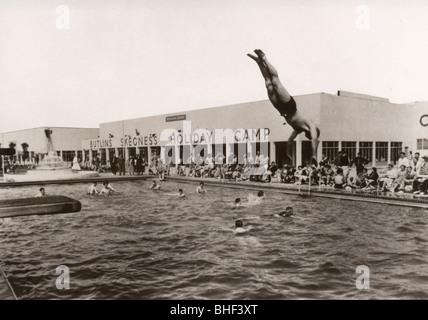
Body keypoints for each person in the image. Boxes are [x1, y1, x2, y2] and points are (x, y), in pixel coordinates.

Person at [248, 49, 320, 166]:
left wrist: (288, 154)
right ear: (314, 132)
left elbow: (289, 141)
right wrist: (314, 155)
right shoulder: (311, 124)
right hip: (289, 105)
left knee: (269, 85)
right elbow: (315, 139)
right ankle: (265, 58)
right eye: (310, 136)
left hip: (280, 109)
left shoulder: (298, 129)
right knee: (275, 81)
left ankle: (259, 62)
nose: (309, 137)